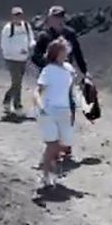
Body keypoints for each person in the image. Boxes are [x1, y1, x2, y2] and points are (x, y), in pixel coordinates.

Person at [32, 5, 90, 159]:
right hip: (50, 78)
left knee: (69, 108)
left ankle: (66, 144)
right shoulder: (44, 36)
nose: (59, 20)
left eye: (61, 17)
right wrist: (48, 64)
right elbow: (35, 56)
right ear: (50, 18)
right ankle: (53, 144)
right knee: (52, 110)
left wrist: (85, 71)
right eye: (56, 17)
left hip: (66, 76)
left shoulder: (69, 34)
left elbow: (77, 53)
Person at [33, 38, 78, 188]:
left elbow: (71, 89)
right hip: (48, 110)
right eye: (63, 50)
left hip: (64, 109)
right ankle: (45, 174)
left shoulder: (69, 69)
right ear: (56, 52)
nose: (66, 53)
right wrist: (39, 104)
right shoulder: (48, 70)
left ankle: (50, 162)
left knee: (64, 143)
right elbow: (38, 90)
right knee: (52, 144)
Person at [0, 6, 35, 115]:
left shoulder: (26, 26)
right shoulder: (7, 29)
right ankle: (17, 104)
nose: (18, 17)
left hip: (23, 59)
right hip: (11, 59)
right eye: (16, 15)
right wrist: (18, 51)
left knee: (17, 82)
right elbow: (4, 44)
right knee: (17, 82)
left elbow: (31, 38)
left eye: (20, 15)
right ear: (12, 16)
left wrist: (31, 45)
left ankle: (8, 100)